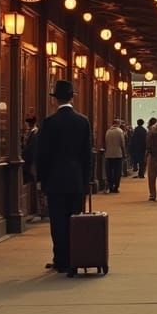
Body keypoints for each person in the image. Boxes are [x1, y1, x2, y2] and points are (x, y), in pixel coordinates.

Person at [37, 80, 92, 274]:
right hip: (76, 179)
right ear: (72, 98)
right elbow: (87, 154)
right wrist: (87, 181)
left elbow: (42, 154)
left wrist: (42, 180)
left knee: (58, 221)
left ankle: (61, 258)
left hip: (55, 180)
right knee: (75, 219)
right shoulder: (83, 121)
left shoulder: (50, 122)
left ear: (55, 100)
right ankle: (75, 257)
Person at [104, 119, 126, 193]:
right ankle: (116, 187)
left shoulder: (108, 131)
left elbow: (106, 143)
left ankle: (110, 186)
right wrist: (124, 153)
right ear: (118, 124)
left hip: (108, 154)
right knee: (117, 172)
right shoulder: (120, 131)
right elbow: (122, 144)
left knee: (109, 172)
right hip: (117, 154)